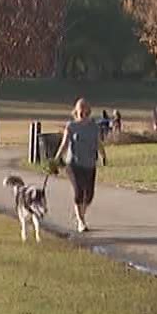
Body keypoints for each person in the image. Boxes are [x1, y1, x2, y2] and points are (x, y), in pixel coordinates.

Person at [55, 98, 108, 233]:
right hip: (74, 164)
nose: (82, 111)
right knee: (79, 191)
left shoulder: (93, 126)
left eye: (84, 108)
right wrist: (56, 159)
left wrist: (103, 155)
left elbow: (98, 143)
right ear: (76, 111)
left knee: (89, 195)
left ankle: (80, 214)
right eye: (80, 109)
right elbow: (64, 144)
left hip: (90, 163)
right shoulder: (71, 126)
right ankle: (81, 221)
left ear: (88, 111)